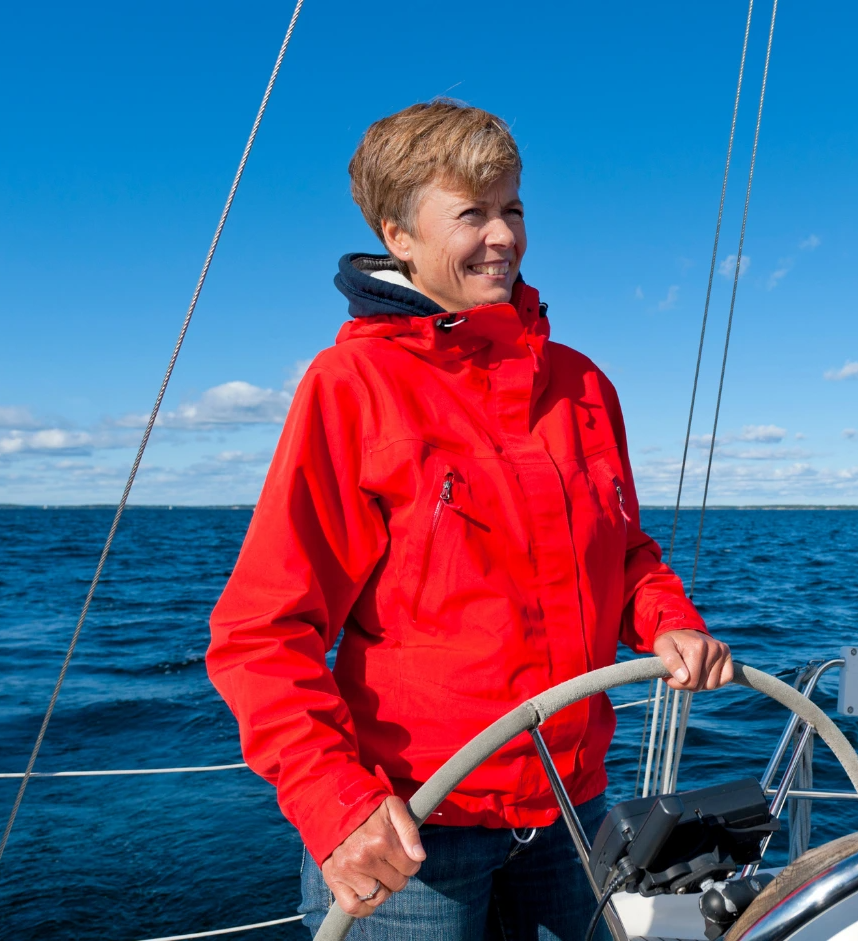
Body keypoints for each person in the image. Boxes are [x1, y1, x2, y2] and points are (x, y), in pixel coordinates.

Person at [206, 99, 733, 941]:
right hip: (416, 829)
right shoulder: (354, 387)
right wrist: (339, 806)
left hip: (570, 810)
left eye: (513, 209)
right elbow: (262, 632)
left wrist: (668, 620)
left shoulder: (583, 385)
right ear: (399, 235)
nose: (502, 236)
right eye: (472, 214)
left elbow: (624, 549)